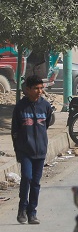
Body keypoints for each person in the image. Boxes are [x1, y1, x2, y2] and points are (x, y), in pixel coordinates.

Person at [11, 76, 55, 224]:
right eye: (36, 88)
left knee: (36, 182)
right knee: (27, 178)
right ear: (27, 89)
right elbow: (15, 131)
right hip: (25, 151)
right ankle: (22, 210)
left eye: (41, 88)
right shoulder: (20, 107)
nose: (39, 91)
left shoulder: (45, 106)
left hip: (40, 151)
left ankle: (32, 213)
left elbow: (47, 123)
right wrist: (18, 151)